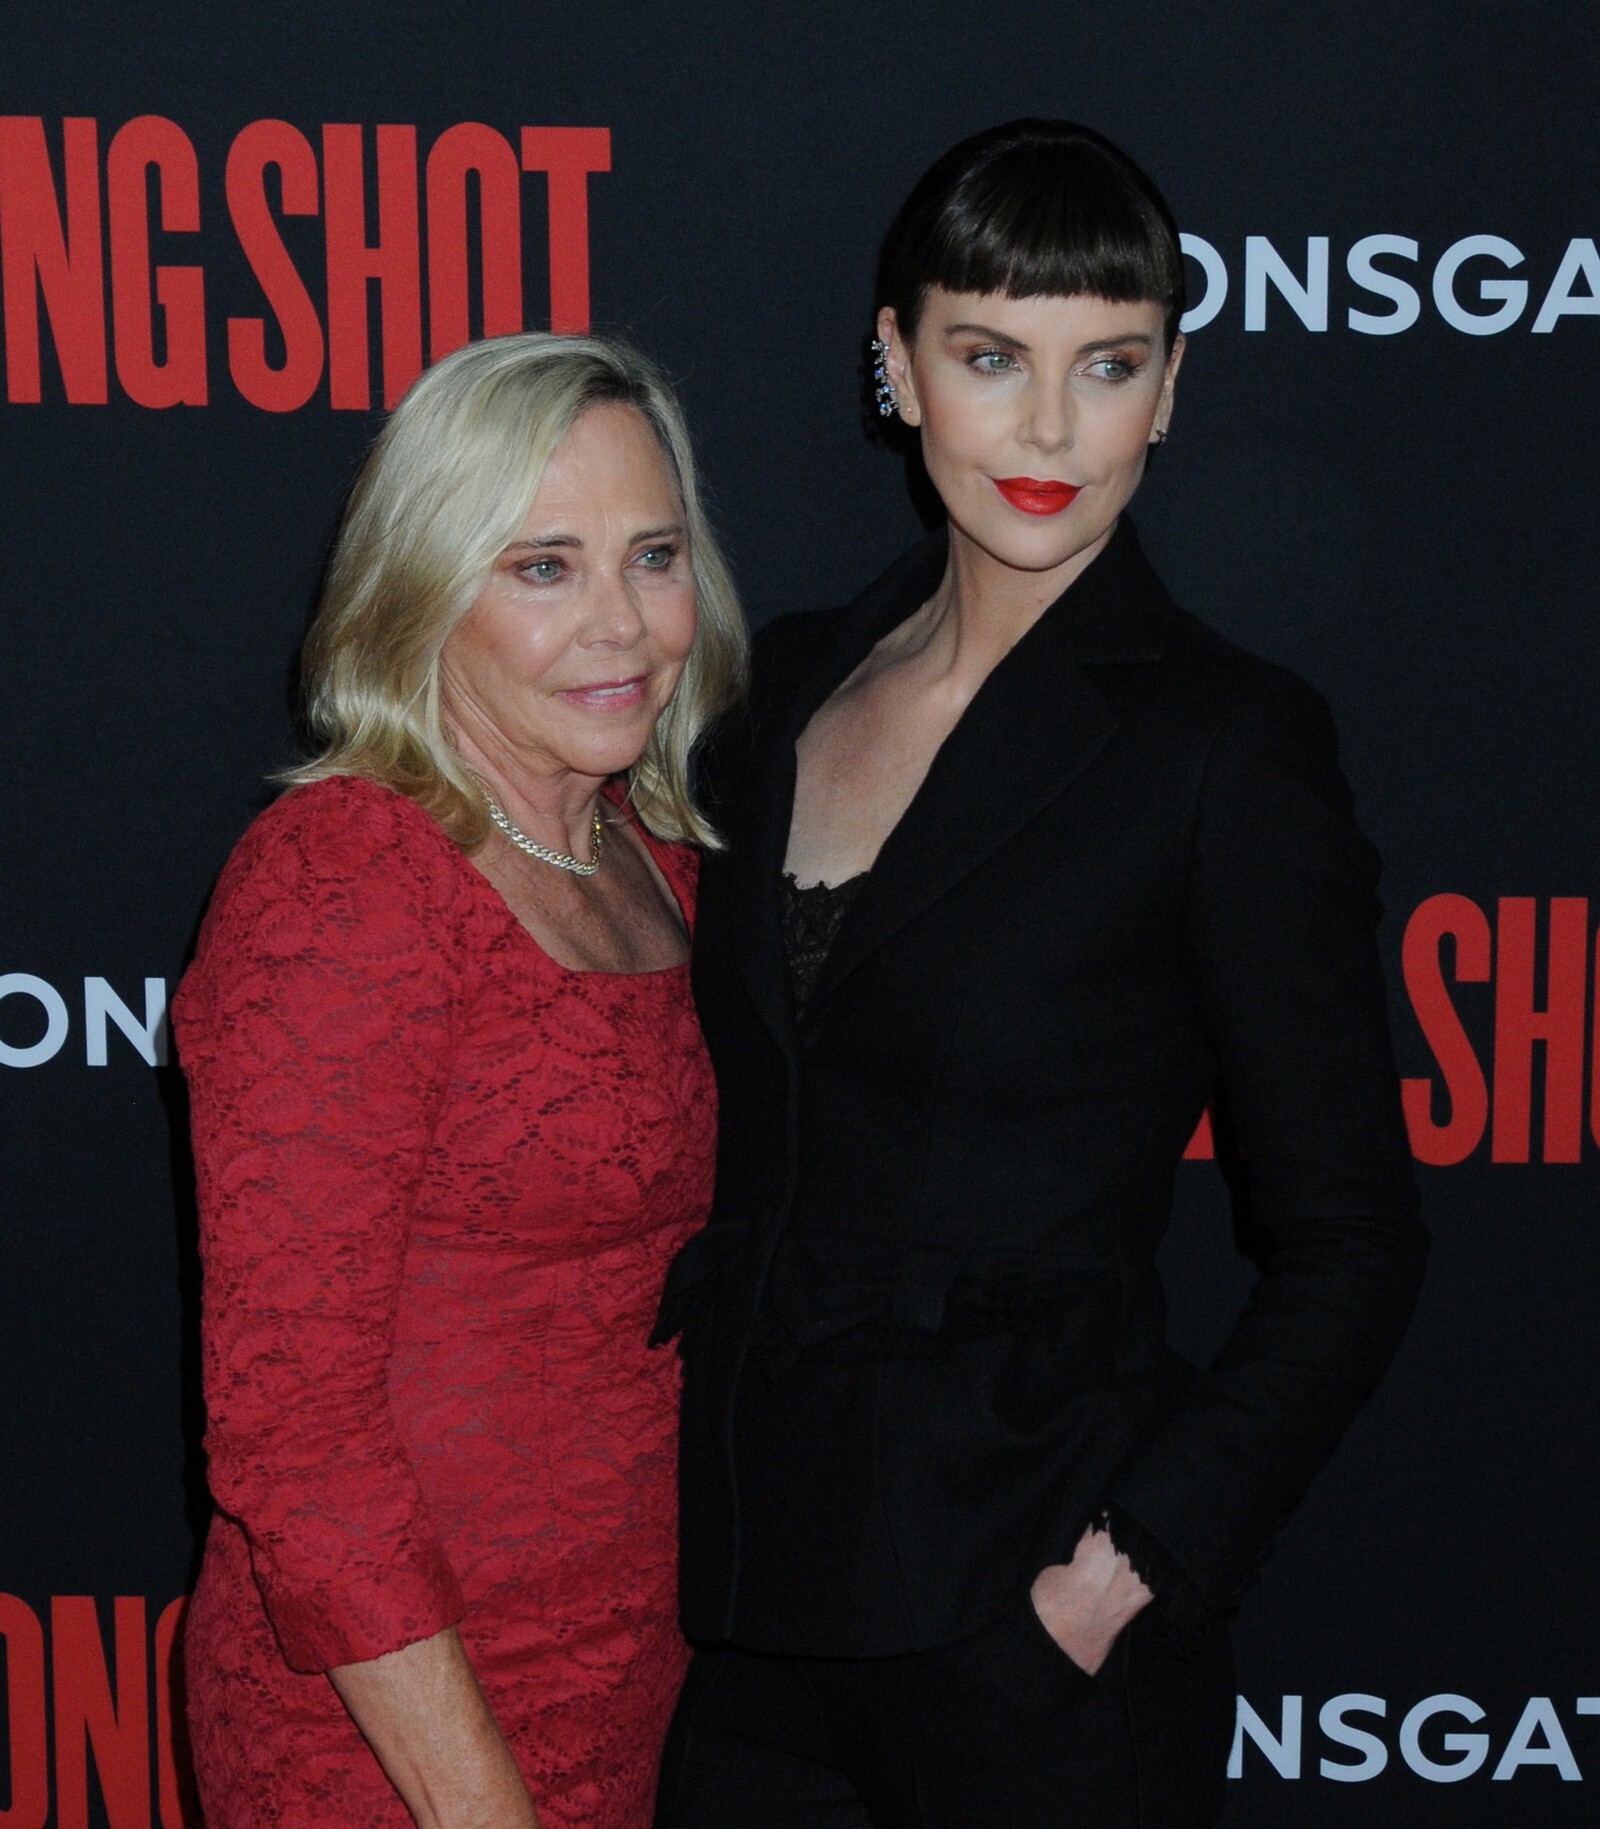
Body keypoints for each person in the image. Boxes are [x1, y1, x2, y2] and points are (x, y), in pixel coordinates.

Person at [653, 120, 1427, 1827]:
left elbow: (1354, 1239)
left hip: (1027, 1646)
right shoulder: (780, 689)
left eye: (1111, 364)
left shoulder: (1226, 743)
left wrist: (1121, 1573)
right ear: (897, 361)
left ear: (1171, 388)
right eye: (993, 355)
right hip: (744, 1626)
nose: (1053, 430)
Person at [174, 330, 747, 1829]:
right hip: (387, 1727)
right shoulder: (343, 880)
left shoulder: (656, 858)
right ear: (422, 588)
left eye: (654, 556)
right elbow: (294, 1432)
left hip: (628, 1678)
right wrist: (481, 1806)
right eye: (543, 566)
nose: (622, 623)